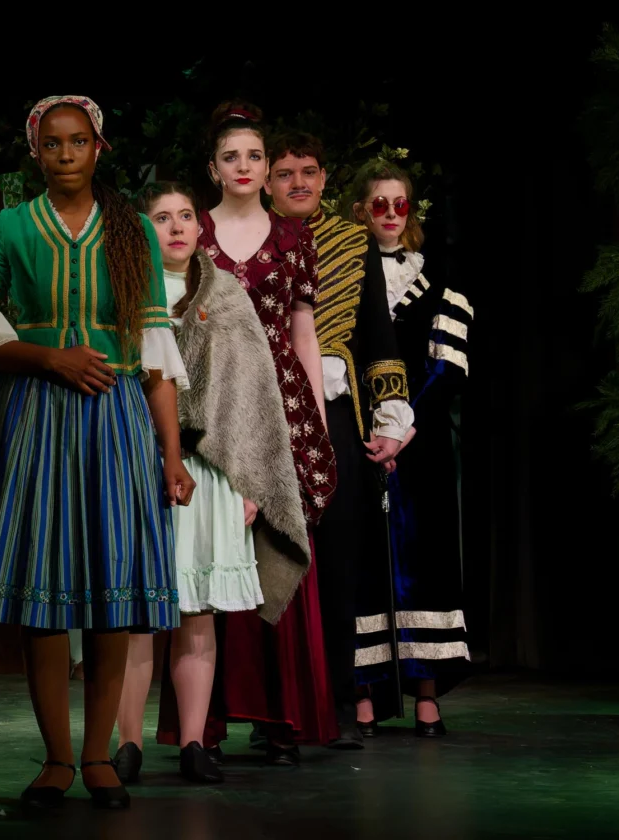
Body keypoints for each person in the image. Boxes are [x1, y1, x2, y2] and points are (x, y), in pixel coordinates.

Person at [0, 96, 190, 809]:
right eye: (54, 143)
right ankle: (55, 759)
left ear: (99, 148)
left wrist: (171, 457)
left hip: (116, 417)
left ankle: (100, 756)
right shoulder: (10, 228)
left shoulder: (134, 229)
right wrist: (50, 359)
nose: (67, 153)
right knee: (46, 597)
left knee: (109, 595)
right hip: (37, 415)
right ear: (37, 152)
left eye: (79, 142)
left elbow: (158, 360)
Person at [113, 183, 316, 784]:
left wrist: (252, 480)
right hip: (141, 465)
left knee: (198, 612)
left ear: (200, 228)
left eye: (184, 217)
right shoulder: (126, 292)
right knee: (138, 613)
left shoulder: (227, 295)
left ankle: (195, 742)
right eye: (161, 218)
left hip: (213, 472)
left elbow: (253, 397)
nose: (175, 228)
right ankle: (127, 744)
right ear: (144, 229)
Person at [158, 102, 340, 764]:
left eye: (254, 157)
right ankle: (202, 726)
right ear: (213, 168)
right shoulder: (189, 232)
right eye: (231, 156)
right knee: (202, 553)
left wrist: (315, 422)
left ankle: (278, 715)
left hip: (279, 405)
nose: (244, 166)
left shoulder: (293, 238)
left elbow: (303, 334)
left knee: (273, 547)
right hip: (207, 404)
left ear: (267, 170)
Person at [266, 132, 412, 749]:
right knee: (276, 562)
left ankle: (339, 700)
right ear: (268, 181)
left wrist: (390, 420)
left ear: (325, 180)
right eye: (286, 173)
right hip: (268, 418)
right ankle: (276, 709)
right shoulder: (254, 242)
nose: (299, 182)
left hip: (338, 414)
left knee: (342, 560)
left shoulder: (354, 244)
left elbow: (378, 335)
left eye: (309, 172)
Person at [350, 162, 472, 737]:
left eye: (401, 204)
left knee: (425, 562)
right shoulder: (345, 276)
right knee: (364, 562)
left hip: (418, 445)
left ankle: (427, 693)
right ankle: (364, 695)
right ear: (361, 211)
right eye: (380, 204)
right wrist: (373, 431)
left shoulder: (440, 275)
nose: (392, 214)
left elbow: (447, 365)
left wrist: (405, 428)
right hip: (359, 438)